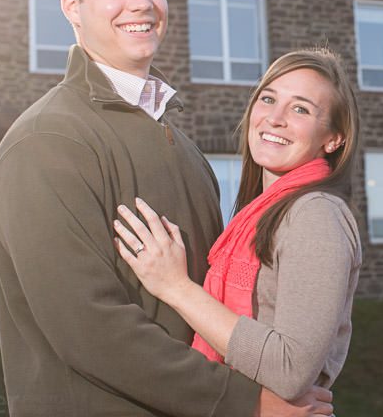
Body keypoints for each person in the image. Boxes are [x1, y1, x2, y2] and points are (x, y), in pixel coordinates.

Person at [0, 0, 333, 417]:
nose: (142, 3)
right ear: (71, 6)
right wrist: (248, 403)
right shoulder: (47, 142)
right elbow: (89, 328)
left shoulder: (185, 149)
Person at [113, 48, 363, 402]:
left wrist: (175, 286)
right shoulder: (260, 214)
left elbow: (289, 370)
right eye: (268, 99)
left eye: (301, 109)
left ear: (333, 138)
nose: (275, 118)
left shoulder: (316, 214)